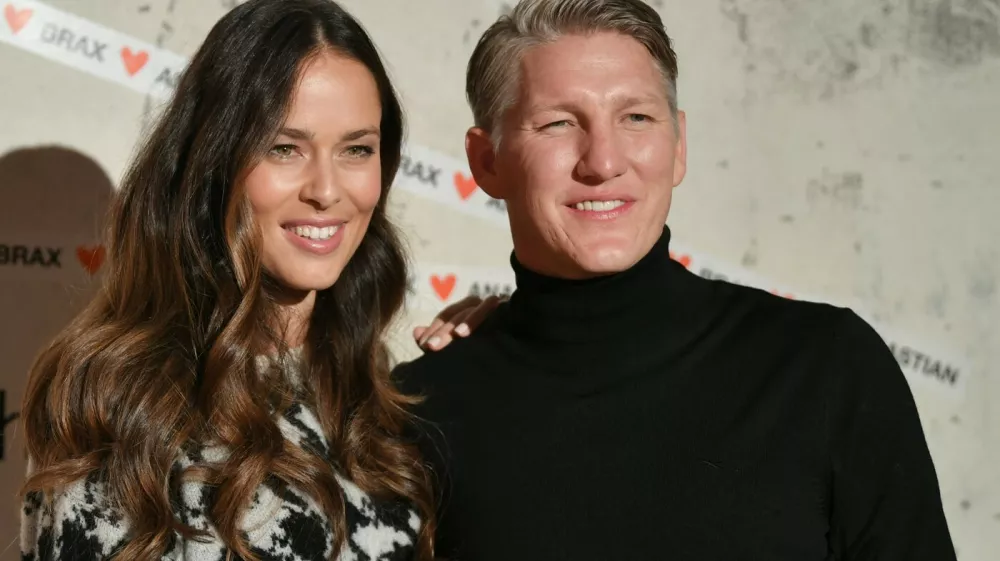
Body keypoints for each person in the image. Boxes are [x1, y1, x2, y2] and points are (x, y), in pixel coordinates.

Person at [395, 0, 958, 559]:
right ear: (487, 161)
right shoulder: (419, 412)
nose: (603, 160)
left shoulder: (826, 367)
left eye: (636, 117)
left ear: (679, 145)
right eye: (559, 123)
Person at [19, 1, 440, 559]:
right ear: (215, 160)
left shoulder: (375, 393)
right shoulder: (118, 399)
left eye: (356, 149)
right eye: (284, 147)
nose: (326, 189)